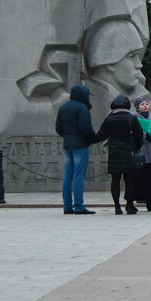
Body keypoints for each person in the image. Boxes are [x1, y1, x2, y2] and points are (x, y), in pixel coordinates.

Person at [92, 94, 144, 214]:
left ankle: (117, 207)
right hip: (128, 153)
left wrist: (88, 138)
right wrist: (135, 148)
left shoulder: (109, 119)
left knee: (115, 180)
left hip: (114, 152)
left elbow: (100, 135)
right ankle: (130, 206)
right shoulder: (132, 118)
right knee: (129, 180)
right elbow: (139, 136)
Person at [55, 83, 97, 215]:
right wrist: (92, 137)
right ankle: (78, 206)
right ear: (83, 95)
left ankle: (67, 206)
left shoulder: (63, 108)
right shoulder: (82, 108)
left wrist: (68, 136)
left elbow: (58, 128)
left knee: (68, 176)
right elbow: (86, 129)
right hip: (81, 145)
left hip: (68, 145)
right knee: (79, 176)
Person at [133, 96, 151, 211]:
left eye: (146, 104)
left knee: (150, 178)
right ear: (137, 107)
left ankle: (150, 202)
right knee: (139, 177)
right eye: (142, 104)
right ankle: (138, 199)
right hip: (140, 150)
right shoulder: (134, 118)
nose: (145, 106)